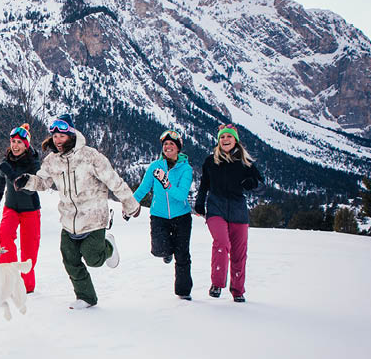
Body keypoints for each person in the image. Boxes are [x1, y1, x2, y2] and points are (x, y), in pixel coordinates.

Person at [14, 114, 141, 309]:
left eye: (61, 136)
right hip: (68, 219)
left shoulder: (90, 157)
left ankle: (108, 246)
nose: (57, 141)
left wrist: (130, 204)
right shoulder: (52, 161)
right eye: (54, 136)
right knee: (70, 259)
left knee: (93, 258)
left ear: (71, 135)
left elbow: (113, 180)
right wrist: (27, 181)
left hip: (94, 218)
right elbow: (43, 181)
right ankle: (86, 297)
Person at [194, 123, 264, 303]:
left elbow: (261, 185)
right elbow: (204, 185)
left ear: (236, 140)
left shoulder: (245, 162)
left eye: (229, 137)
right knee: (222, 242)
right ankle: (217, 283)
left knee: (239, 252)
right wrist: (200, 203)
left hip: (238, 210)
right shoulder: (211, 161)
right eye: (222, 137)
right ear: (218, 141)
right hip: (216, 207)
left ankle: (238, 290)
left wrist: (252, 183)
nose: (225, 140)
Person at [132, 129, 194, 300]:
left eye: (171, 144)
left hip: (181, 217)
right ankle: (167, 251)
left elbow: (181, 195)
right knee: (159, 249)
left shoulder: (185, 169)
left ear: (178, 148)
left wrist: (167, 183)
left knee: (182, 255)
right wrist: (130, 204)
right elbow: (144, 188)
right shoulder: (155, 167)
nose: (168, 147)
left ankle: (183, 291)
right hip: (159, 216)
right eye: (165, 144)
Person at [0, 123, 42, 293]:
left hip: (30, 210)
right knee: (5, 238)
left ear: (26, 145)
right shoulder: (7, 161)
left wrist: (14, 176)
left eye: (19, 142)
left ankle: (27, 286)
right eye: (13, 141)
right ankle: (8, 278)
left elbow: (31, 191)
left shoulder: (34, 164)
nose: (15, 145)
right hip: (11, 208)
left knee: (29, 251)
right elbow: (1, 178)